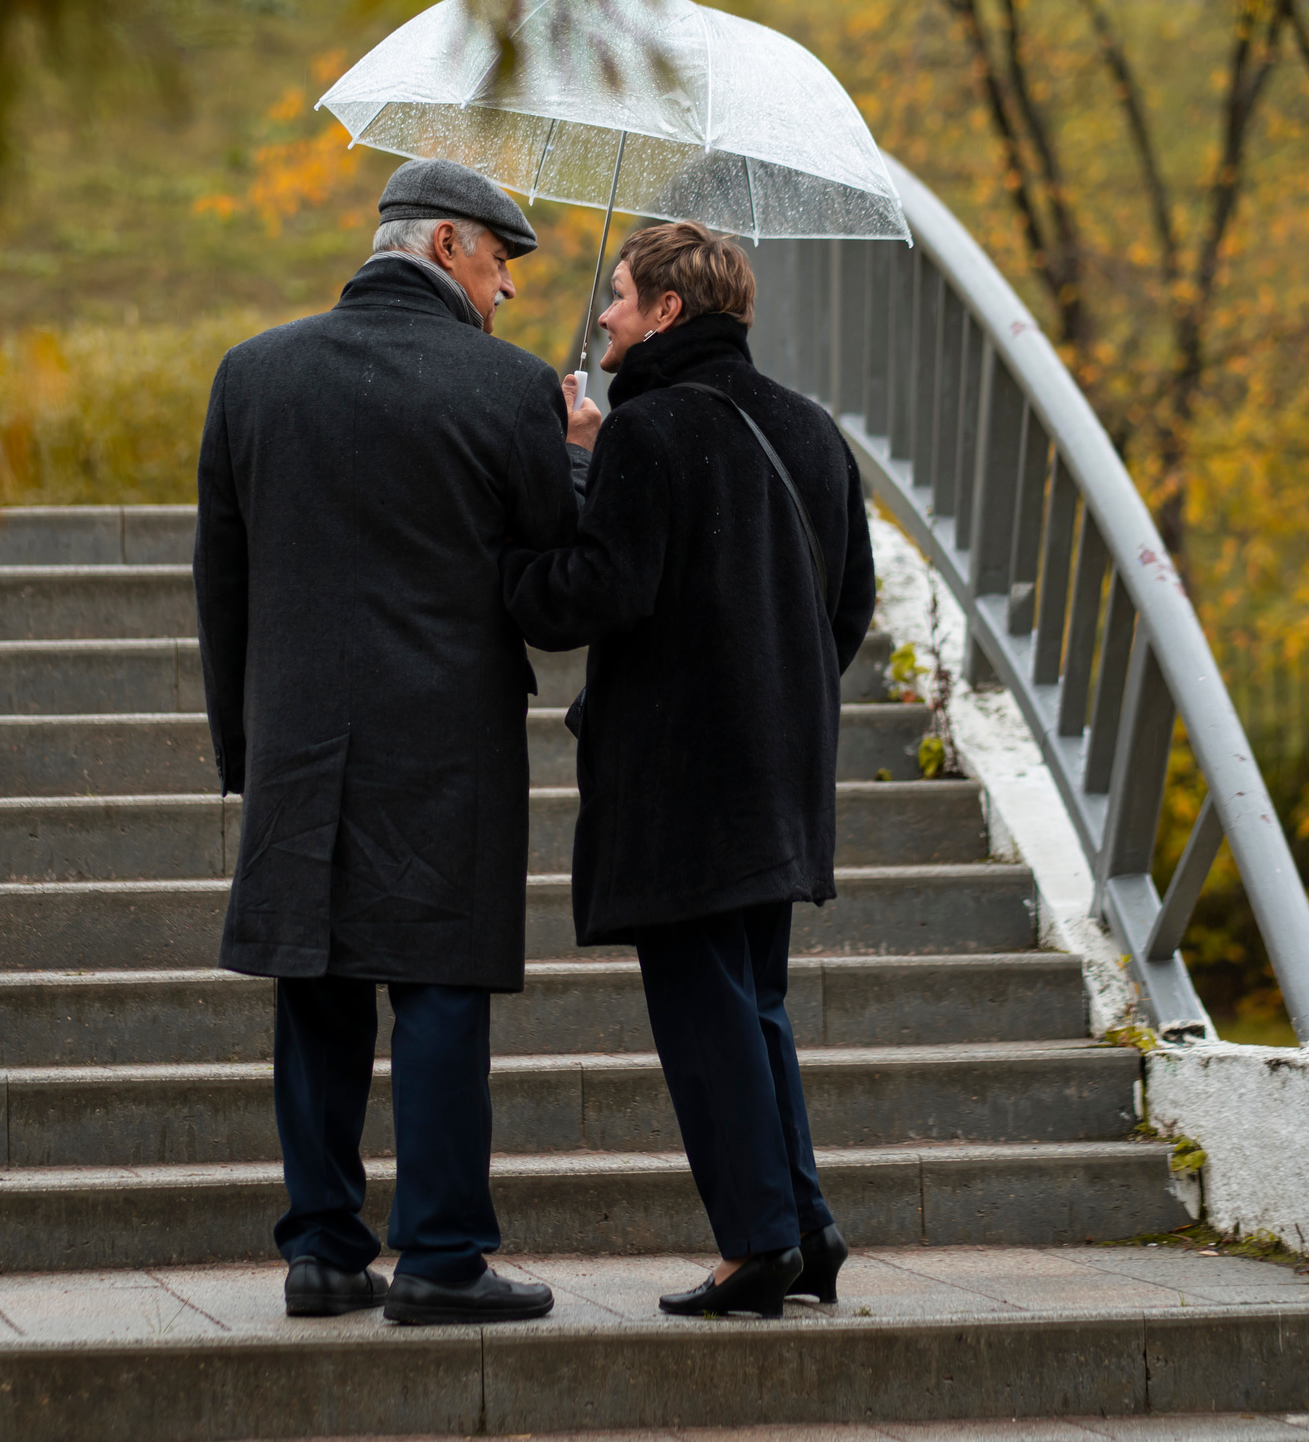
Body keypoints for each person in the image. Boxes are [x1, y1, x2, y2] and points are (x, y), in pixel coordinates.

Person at [194, 156, 588, 1327]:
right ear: (445, 246)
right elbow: (548, 601)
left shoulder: (252, 373)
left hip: (299, 742)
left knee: (315, 993)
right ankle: (442, 1258)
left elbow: (224, 581)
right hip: (447, 744)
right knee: (438, 994)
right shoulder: (508, 387)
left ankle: (321, 1252)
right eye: (501, 261)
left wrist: (244, 748)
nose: (509, 291)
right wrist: (570, 457)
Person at [500, 220, 876, 1320]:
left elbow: (596, 593)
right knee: (754, 999)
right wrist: (778, 695)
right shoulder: (812, 431)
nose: (603, 313)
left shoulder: (648, 430)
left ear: (667, 311)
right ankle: (805, 1226)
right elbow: (846, 604)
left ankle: (757, 1241)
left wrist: (552, 503)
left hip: (680, 781)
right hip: (779, 772)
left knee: (704, 1012)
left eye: (617, 295)